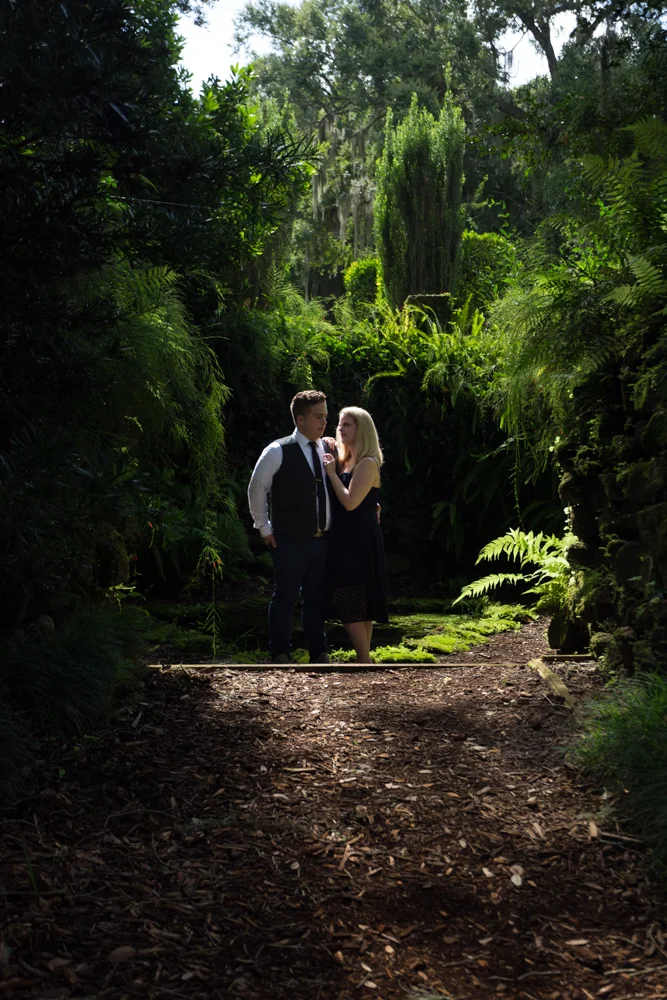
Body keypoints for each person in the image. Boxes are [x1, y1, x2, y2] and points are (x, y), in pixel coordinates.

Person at [247, 390, 336, 664]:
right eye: (318, 417)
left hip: (322, 540)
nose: (324, 422)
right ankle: (280, 653)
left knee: (316, 599)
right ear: (300, 419)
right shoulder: (277, 450)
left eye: (325, 416)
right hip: (290, 541)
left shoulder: (327, 448)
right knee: (285, 597)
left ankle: (318, 653)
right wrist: (264, 527)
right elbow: (256, 487)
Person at [322, 407, 388, 663]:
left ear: (362, 430)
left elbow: (350, 502)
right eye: (339, 424)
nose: (340, 428)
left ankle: (364, 660)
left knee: (348, 598)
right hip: (347, 537)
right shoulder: (347, 460)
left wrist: (331, 474)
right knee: (358, 599)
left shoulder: (367, 462)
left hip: (359, 540)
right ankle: (365, 658)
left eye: (347, 424)